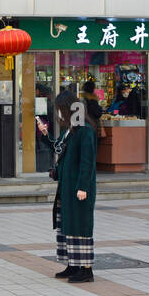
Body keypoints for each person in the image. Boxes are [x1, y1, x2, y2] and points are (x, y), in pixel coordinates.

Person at [52, 94, 99, 283]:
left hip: (78, 189)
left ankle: (86, 269)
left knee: (81, 225)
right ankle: (73, 264)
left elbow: (87, 162)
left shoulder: (85, 131)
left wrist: (83, 187)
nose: (58, 114)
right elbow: (59, 151)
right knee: (67, 225)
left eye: (59, 109)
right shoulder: (70, 130)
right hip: (66, 187)